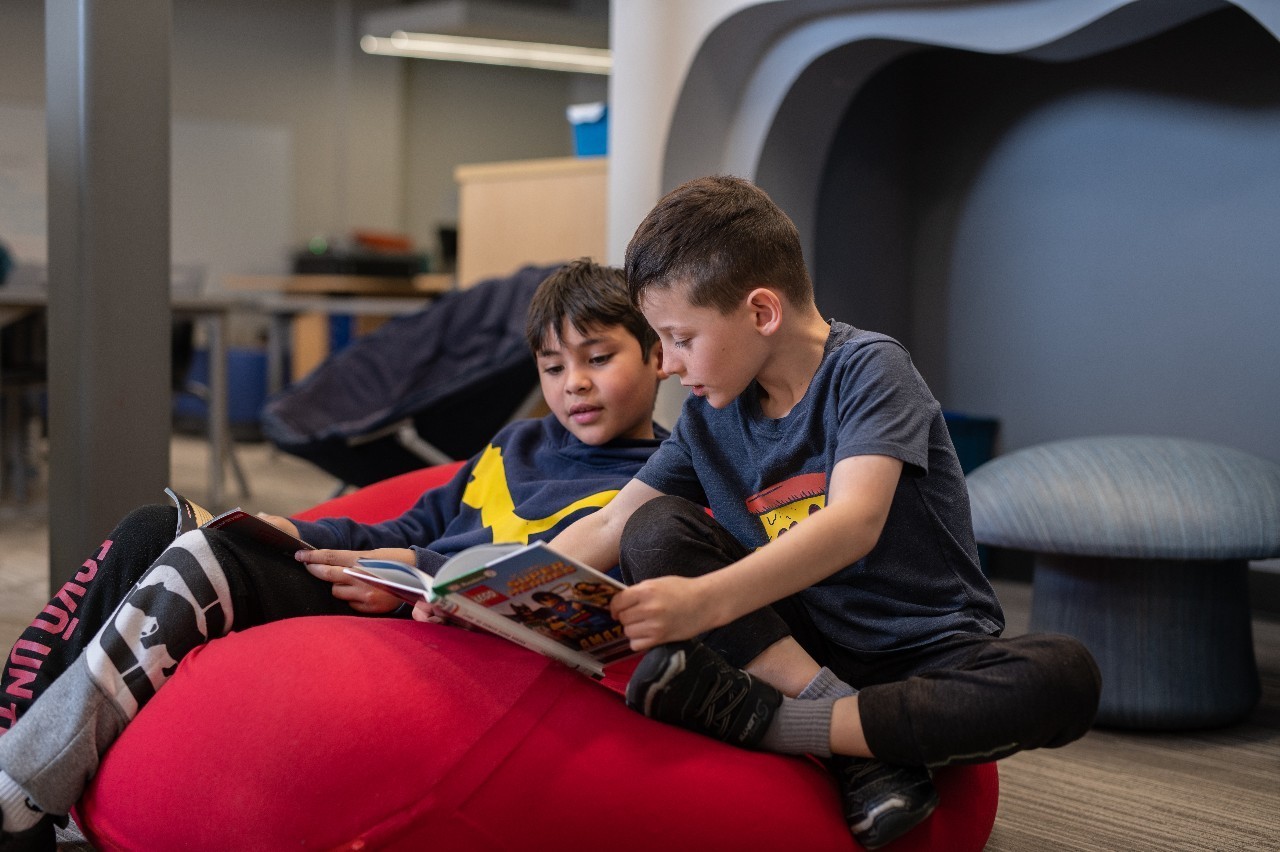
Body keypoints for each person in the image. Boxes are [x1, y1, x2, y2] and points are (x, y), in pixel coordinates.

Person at [0, 258, 667, 850]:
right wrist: (289, 528)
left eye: (598, 359)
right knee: (155, 529)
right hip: (381, 581)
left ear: (659, 355)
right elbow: (410, 522)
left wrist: (415, 580)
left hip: (432, 625)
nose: (573, 383)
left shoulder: (654, 481)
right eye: (553, 367)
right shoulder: (515, 446)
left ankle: (22, 798)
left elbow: (552, 593)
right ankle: (13, 756)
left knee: (205, 566)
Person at [537, 177, 1102, 849]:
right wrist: (477, 584)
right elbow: (609, 524)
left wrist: (704, 604)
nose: (669, 365)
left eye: (682, 338)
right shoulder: (708, 416)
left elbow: (851, 525)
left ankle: (784, 725)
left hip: (922, 651)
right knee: (652, 528)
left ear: (762, 312)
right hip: (797, 650)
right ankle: (858, 741)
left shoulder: (869, 370)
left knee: (1065, 676)